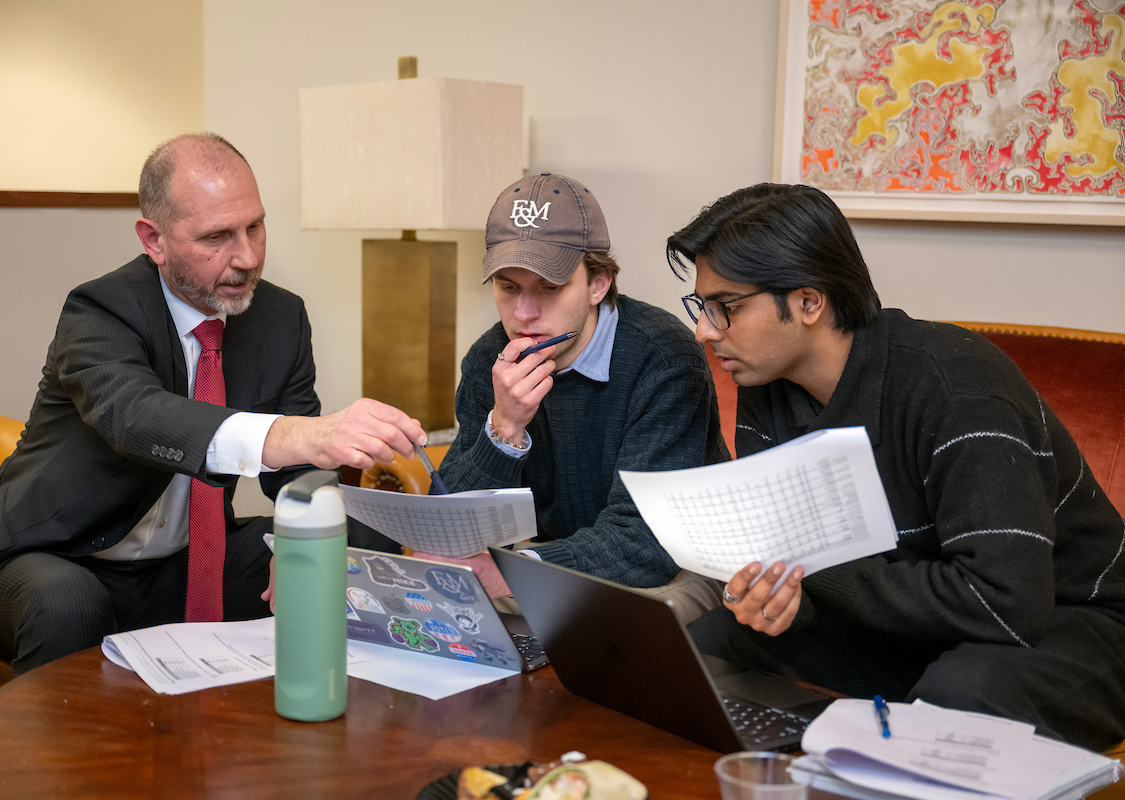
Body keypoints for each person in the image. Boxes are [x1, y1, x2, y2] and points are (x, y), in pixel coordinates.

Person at [0, 133, 426, 675]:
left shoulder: (280, 319)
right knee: (67, 603)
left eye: (255, 227)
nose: (247, 257)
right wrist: (298, 434)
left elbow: (300, 474)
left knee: (341, 543)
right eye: (217, 237)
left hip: (183, 565)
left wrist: (301, 536)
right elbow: (137, 418)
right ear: (155, 239)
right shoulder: (100, 310)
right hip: (55, 555)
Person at [670, 182, 1125, 749]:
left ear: (810, 303)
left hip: (1077, 618)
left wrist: (807, 573)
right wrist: (778, 599)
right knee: (709, 644)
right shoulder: (767, 381)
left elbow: (1006, 604)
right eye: (702, 307)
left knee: (959, 697)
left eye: (726, 309)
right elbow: (800, 562)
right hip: (916, 621)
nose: (705, 330)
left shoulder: (956, 387)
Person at [420, 173, 729, 619]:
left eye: (549, 287)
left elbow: (645, 542)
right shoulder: (489, 358)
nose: (524, 313)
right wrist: (503, 430)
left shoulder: (663, 356)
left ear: (598, 283)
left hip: (678, 567)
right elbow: (447, 531)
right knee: (442, 603)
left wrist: (513, 572)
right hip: (555, 557)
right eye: (509, 287)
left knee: (624, 626)